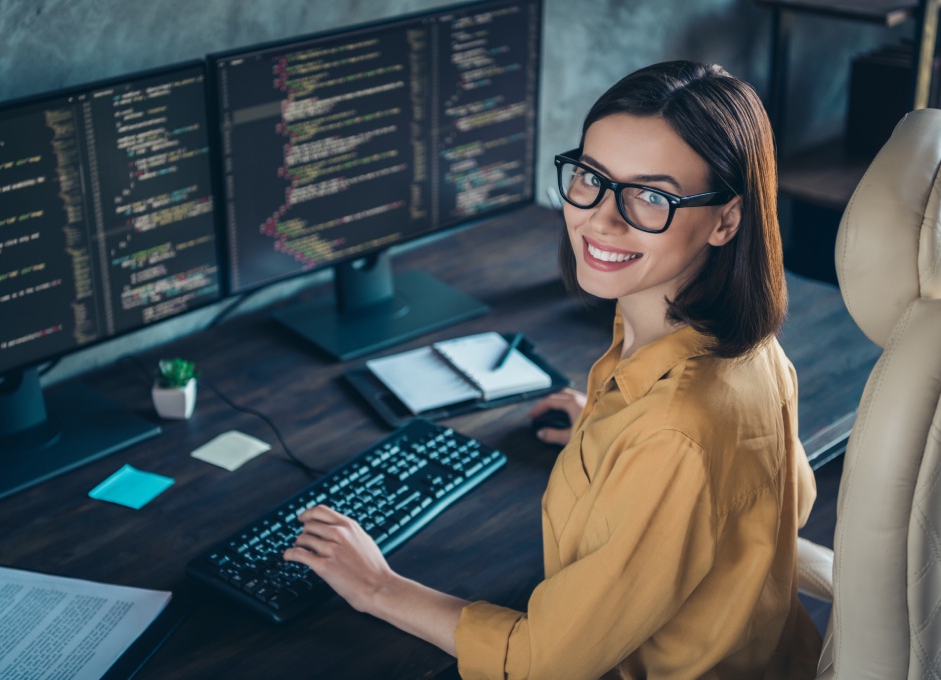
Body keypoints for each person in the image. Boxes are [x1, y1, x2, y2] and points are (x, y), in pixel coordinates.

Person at [284, 60, 821, 679]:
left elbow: (545, 662)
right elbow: (789, 499)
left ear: (727, 219)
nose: (601, 218)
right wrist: (610, 445)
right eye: (593, 177)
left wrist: (379, 587)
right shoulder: (749, 349)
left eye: (652, 195)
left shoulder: (677, 431)